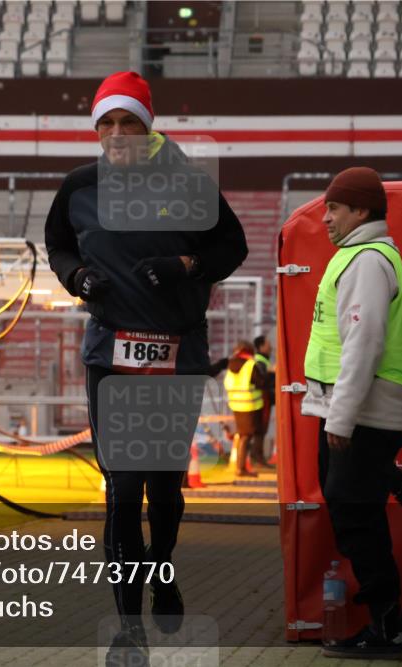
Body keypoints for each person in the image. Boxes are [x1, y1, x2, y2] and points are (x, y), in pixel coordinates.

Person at [45, 71, 248, 666]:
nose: (114, 134)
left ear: (147, 125)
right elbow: (58, 243)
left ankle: (163, 570)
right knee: (122, 489)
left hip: (175, 354)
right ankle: (127, 628)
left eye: (125, 122)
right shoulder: (79, 186)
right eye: (104, 123)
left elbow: (229, 247)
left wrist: (186, 263)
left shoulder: (188, 181)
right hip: (111, 356)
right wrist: (76, 277)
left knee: (164, 489)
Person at [300, 167, 402, 658]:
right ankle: (391, 479)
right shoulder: (359, 257)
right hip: (355, 413)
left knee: (358, 520)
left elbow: (364, 345)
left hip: (358, 415)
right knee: (355, 512)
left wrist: (340, 418)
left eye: (334, 208)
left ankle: (386, 627)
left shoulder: (367, 261)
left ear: (361, 211)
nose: (325, 217)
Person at [223, 341, 267, 477]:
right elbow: (260, 382)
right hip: (249, 406)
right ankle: (240, 468)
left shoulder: (231, 364)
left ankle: (241, 467)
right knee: (246, 436)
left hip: (236, 405)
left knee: (243, 435)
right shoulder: (250, 365)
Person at [252, 335, 276, 468]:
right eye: (268, 344)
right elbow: (262, 381)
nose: (271, 346)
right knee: (261, 428)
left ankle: (257, 456)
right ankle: (258, 457)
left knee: (260, 429)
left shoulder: (262, 361)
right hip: (262, 398)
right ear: (261, 347)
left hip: (263, 398)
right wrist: (272, 372)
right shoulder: (260, 362)